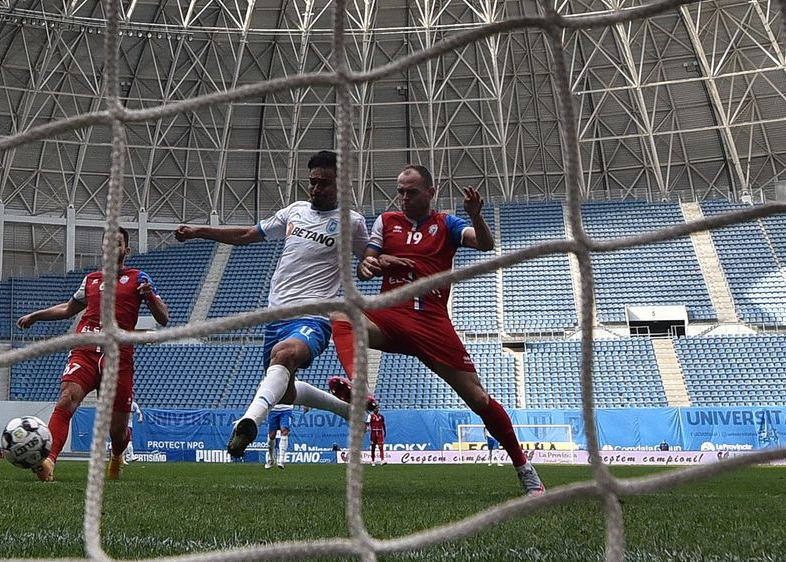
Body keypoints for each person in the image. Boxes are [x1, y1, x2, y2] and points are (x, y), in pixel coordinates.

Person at [327, 163, 544, 496]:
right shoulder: (386, 221)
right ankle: (360, 387)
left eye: (411, 192)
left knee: (479, 399)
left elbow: (485, 244)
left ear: (430, 192)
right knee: (340, 314)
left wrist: (476, 216)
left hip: (431, 322)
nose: (403, 197)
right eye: (400, 191)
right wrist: (375, 263)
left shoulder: (447, 224)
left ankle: (525, 469)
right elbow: (366, 266)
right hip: (388, 316)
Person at [175, 150, 371, 458]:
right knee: (285, 390)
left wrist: (370, 266)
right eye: (312, 182)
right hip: (276, 315)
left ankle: (248, 421)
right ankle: (345, 410)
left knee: (285, 354)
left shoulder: (352, 223)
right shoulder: (295, 211)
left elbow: (367, 262)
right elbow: (247, 234)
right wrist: (200, 231)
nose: (315, 189)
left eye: (323, 183)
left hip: (314, 316)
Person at [16, 226, 169, 482]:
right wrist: (36, 316)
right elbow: (67, 309)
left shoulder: (138, 278)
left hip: (118, 357)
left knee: (117, 430)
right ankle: (48, 461)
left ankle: (118, 454)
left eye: (117, 243)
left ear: (126, 250)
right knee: (66, 399)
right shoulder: (91, 280)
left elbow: (163, 318)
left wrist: (150, 297)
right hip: (85, 350)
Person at [264, 403, 293, 469]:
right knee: (271, 435)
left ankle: (281, 460)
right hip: (273, 409)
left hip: (287, 409)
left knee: (284, 431)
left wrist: (306, 404)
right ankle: (271, 459)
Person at [122, 398, 143, 465]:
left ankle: (123, 458)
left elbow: (139, 412)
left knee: (126, 443)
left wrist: (140, 418)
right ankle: (131, 456)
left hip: (129, 425)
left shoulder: (134, 404)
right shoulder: (122, 403)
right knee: (128, 441)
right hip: (123, 425)